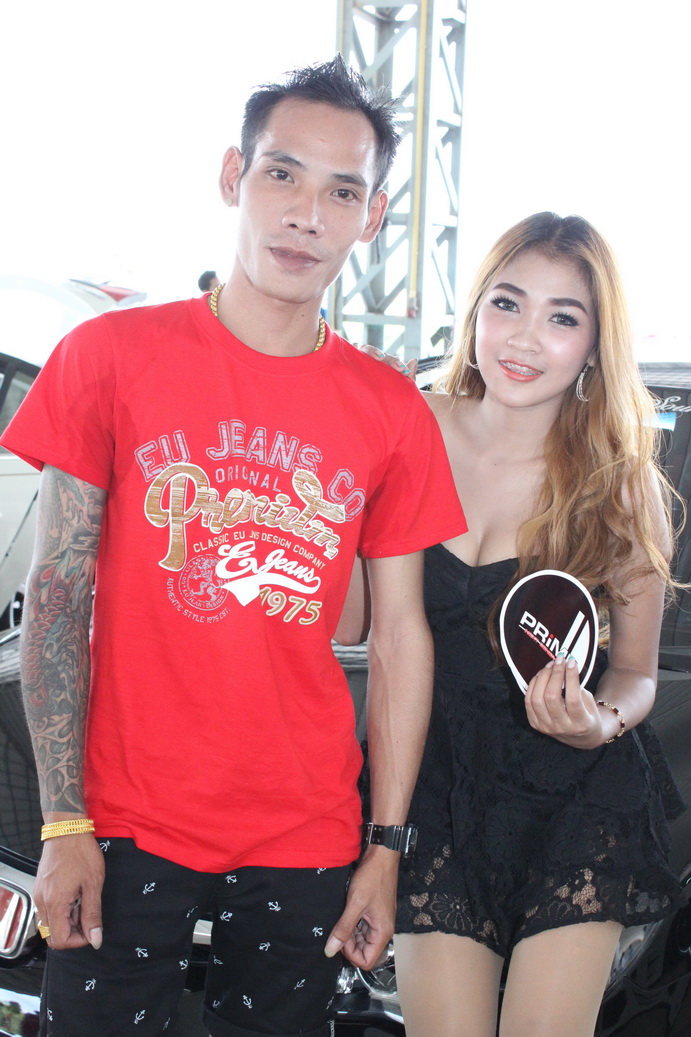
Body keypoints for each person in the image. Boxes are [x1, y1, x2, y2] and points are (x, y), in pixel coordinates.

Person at [0, 57, 466, 1037]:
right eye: (281, 173)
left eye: (342, 191)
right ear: (231, 176)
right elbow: (58, 594)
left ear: (372, 216)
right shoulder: (110, 357)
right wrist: (62, 819)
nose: (306, 215)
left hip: (305, 833)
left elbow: (398, 638)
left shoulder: (389, 410)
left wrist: (384, 846)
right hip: (122, 824)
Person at [351, 212, 686, 1037]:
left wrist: (597, 721)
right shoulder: (409, 427)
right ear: (475, 310)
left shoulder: (619, 481)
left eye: (561, 317)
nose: (525, 338)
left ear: (594, 345)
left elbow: (634, 671)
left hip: (574, 797)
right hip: (437, 791)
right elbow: (359, 621)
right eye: (507, 302)